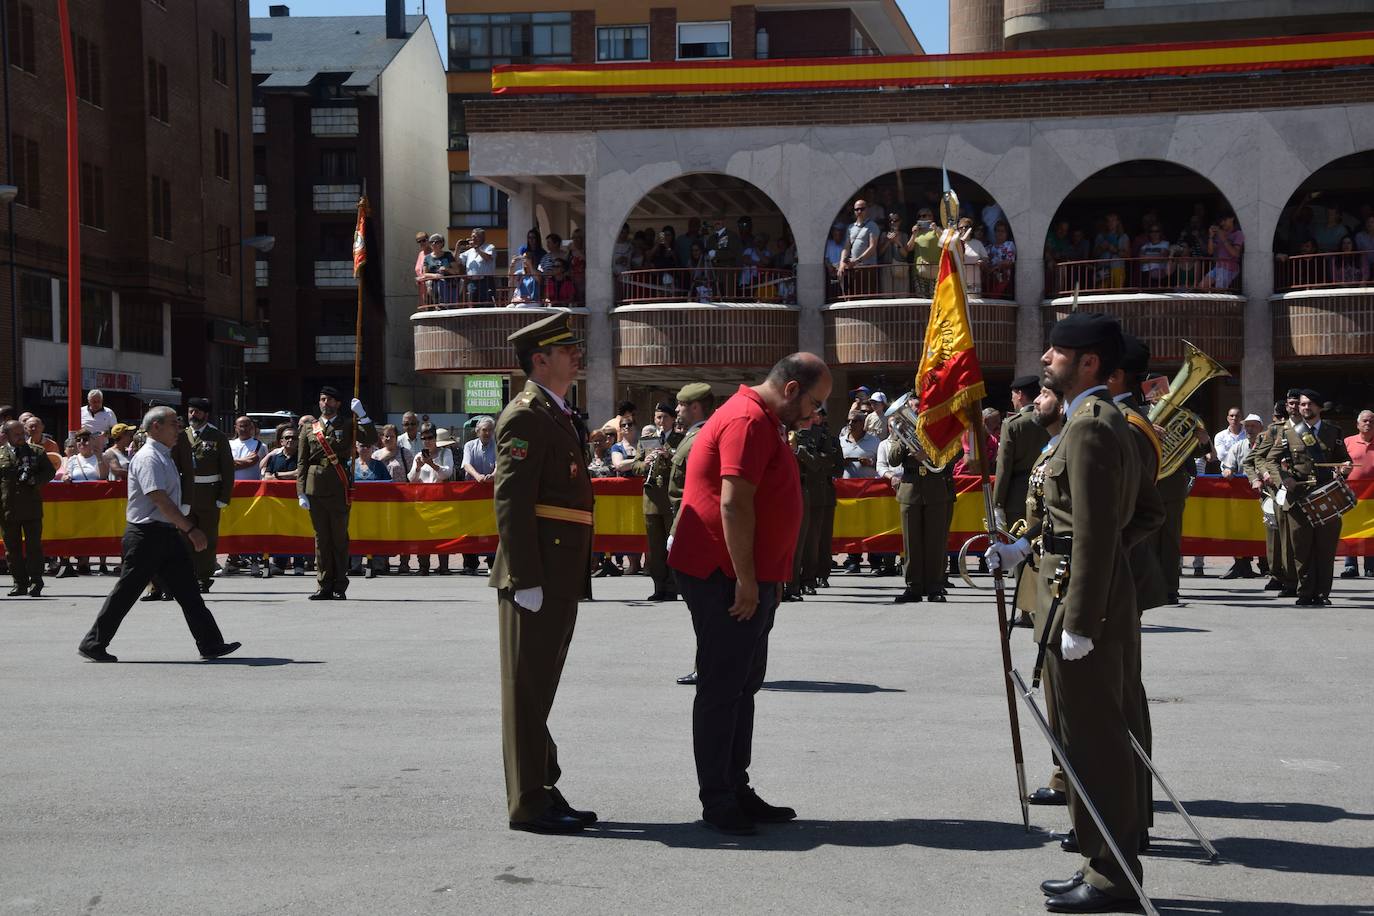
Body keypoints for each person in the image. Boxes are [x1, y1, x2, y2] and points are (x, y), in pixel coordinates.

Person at [989, 312, 1159, 913]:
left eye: (1058, 352)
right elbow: (1087, 524)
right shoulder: (1090, 420)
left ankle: (1112, 874)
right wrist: (1022, 549)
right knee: (1086, 739)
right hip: (1070, 593)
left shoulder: (1091, 425)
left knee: (1093, 743)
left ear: (1088, 362)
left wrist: (1082, 619)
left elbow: (1095, 535)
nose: (1046, 360)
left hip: (1081, 607)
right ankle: (1102, 861)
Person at [669, 352, 832, 836]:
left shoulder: (764, 419)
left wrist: (769, 579)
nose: (815, 415)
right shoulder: (747, 420)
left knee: (743, 686)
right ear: (791, 389)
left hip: (745, 576)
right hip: (724, 575)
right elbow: (734, 505)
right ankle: (718, 800)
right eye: (815, 403)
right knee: (723, 688)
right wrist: (745, 580)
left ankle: (735, 786)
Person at [489, 311, 597, 835]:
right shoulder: (525, 414)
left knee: (540, 688)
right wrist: (526, 577)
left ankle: (541, 785)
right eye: (566, 349)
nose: (577, 355)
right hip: (536, 575)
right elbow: (511, 500)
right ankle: (528, 801)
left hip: (557, 571)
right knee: (526, 689)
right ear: (540, 359)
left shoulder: (554, 412)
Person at [77, 406, 241, 663]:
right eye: (173, 424)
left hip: (165, 533)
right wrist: (190, 528)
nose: (179, 428)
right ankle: (93, 643)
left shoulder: (164, 455)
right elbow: (158, 498)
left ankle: (210, 643)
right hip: (146, 535)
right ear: (156, 427)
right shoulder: (149, 457)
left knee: (188, 590)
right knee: (127, 592)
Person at [1259, 391, 1351, 606]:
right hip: (1298, 497)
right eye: (1302, 404)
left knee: (1325, 548)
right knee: (1300, 548)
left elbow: (1343, 459)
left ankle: (1321, 593)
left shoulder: (1332, 431)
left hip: (1326, 496)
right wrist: (1283, 479)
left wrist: (1345, 468)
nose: (1305, 408)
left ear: (1319, 408)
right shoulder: (1287, 432)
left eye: (1310, 404)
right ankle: (1305, 591)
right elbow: (1271, 461)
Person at [297, 386, 378, 600]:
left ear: (338, 404)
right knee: (321, 539)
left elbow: (370, 438)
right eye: (323, 399)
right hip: (314, 488)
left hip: (339, 486)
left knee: (339, 539)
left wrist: (362, 415)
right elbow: (302, 462)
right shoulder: (309, 427)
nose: (326, 403)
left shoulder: (348, 424)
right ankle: (324, 585)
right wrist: (301, 492)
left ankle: (339, 586)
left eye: (330, 400)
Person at [666, 382, 716, 685]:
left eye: (680, 405)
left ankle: (707, 666)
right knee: (702, 610)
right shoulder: (692, 436)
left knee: (705, 610)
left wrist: (676, 531)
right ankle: (706, 664)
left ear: (695, 407)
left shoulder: (701, 438)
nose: (677, 410)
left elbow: (692, 493)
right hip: (687, 526)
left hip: (692, 529)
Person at [162, 398, 234, 595]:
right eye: (191, 411)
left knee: (207, 537)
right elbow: (175, 466)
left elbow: (227, 468)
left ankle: (203, 577)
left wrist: (224, 496)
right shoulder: (181, 435)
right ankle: (187, 575)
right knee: (184, 537)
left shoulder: (217, 436)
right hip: (187, 494)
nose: (193, 415)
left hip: (209, 494)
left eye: (197, 412)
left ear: (206, 414)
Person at [886, 409, 958, 604]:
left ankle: (935, 586)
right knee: (911, 543)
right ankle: (913, 587)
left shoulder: (940, 427)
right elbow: (892, 459)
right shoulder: (903, 429)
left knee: (936, 542)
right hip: (910, 489)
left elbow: (955, 452)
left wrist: (931, 453)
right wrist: (899, 437)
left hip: (936, 488)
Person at [1, 419, 57, 596]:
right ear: (6, 435)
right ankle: (19, 583)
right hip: (7, 509)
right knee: (12, 549)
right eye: (16, 434)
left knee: (34, 547)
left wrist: (36, 481)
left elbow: (49, 472)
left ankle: (36, 581)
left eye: (22, 433)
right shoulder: (1, 455)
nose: (20, 437)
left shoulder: (36, 452)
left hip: (31, 508)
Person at [634, 401, 682, 602]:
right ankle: (659, 586)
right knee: (655, 548)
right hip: (652, 500)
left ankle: (673, 586)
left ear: (672, 419)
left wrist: (669, 455)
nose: (660, 421)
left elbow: (686, 464)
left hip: (670, 500)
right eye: (657, 417)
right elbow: (635, 466)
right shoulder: (647, 439)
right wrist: (644, 464)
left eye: (664, 417)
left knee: (672, 547)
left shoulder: (680, 439)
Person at [993, 374, 1051, 534]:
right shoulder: (1050, 419)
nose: (1012, 400)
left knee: (1019, 552)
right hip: (1048, 490)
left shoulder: (1012, 424)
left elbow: (1003, 467)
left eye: (1013, 395)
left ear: (1020, 394)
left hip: (1018, 496)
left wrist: (997, 503)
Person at [1220, 413, 1267, 579]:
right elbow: (1228, 466)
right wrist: (1227, 471)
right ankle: (1242, 565)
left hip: (1265, 497)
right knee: (1242, 531)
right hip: (1243, 500)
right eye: (1247, 426)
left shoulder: (1268, 446)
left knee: (1265, 529)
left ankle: (1266, 566)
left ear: (1261, 428)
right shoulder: (1238, 446)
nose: (1249, 429)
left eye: (1253, 426)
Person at [409, 423, 456, 576]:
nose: (427, 441)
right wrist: (417, 467)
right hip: (423, 501)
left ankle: (444, 566)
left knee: (443, 534)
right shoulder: (418, 456)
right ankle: (423, 567)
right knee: (423, 534)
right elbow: (411, 480)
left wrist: (432, 464)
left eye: (430, 437)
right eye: (423, 438)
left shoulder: (445, 453)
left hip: (441, 500)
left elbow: (446, 473)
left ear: (435, 438)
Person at [461, 416, 497, 576]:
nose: (487, 433)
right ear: (477, 431)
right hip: (472, 496)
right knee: (470, 529)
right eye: (484, 430)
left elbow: (500, 464)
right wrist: (477, 476)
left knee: (492, 528)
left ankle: (493, 563)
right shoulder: (469, 445)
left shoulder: (497, 446)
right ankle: (470, 563)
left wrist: (492, 476)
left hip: (492, 495)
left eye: (490, 430)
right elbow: (466, 464)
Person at [1341, 409, 1374, 578]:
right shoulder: (1347, 442)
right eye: (1365, 421)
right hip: (1351, 494)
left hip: (1372, 497)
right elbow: (1339, 465)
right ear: (1358, 425)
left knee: (1371, 530)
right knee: (1351, 528)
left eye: (1371, 421)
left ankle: (1371, 566)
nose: (1368, 423)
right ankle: (1350, 566)